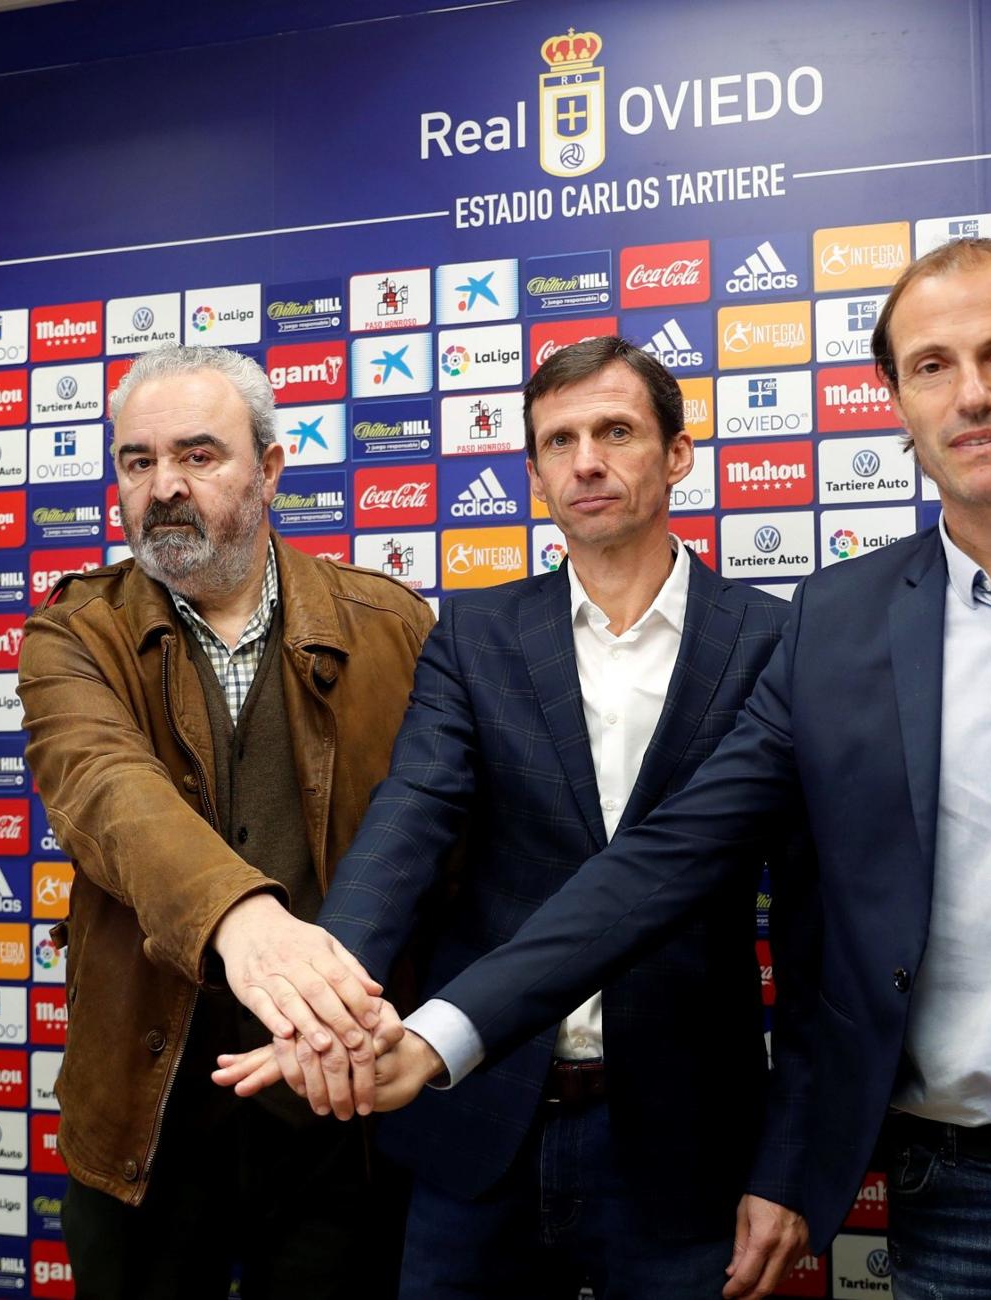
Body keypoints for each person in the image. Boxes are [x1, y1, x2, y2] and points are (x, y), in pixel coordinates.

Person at [256, 238, 991, 1297]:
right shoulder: (840, 625)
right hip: (960, 1196)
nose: (973, 395)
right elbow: (659, 858)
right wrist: (434, 1031)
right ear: (895, 398)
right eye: (932, 366)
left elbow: (808, 936)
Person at [219, 337, 809, 1299]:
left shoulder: (777, 640)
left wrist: (788, 1167)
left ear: (678, 452)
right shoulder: (476, 633)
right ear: (532, 472)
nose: (587, 461)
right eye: (559, 440)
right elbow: (409, 823)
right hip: (475, 1124)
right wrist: (324, 995)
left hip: (686, 1146)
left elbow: (816, 929)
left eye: (616, 430)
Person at [18, 344, 433, 1300]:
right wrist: (244, 923)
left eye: (200, 456)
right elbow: (107, 788)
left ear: (272, 468)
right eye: (138, 461)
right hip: (144, 1120)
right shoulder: (71, 635)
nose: (164, 487)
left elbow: (442, 853)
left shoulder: (392, 627)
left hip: (342, 1115)